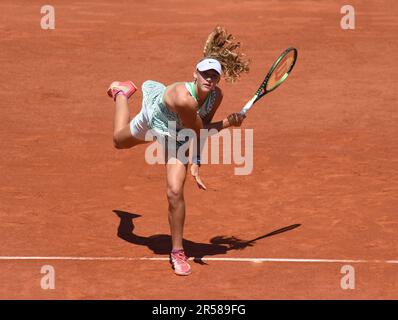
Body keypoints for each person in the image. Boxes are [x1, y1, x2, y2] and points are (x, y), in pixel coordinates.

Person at [107, 26, 250, 276]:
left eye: (214, 76)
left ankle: (177, 251)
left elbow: (201, 127)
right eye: (204, 74)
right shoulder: (183, 98)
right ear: (194, 74)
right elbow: (195, 129)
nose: (209, 79)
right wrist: (228, 124)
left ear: (218, 79)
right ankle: (121, 92)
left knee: (174, 191)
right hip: (156, 122)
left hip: (178, 137)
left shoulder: (216, 96)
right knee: (119, 141)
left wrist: (198, 157)